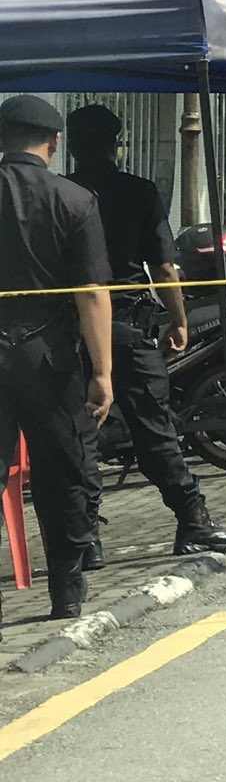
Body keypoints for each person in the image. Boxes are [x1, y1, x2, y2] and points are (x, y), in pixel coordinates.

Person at [64, 106, 226, 562]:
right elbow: (162, 266)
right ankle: (193, 521)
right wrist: (178, 317)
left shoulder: (61, 193)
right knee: (155, 430)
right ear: (116, 145)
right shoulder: (138, 192)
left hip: (70, 329)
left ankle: (86, 541)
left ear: (71, 146)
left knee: (81, 435)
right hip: (125, 326)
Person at [0, 95, 114, 623]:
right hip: (48, 356)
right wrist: (102, 372)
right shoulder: (74, 199)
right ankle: (66, 593)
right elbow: (92, 293)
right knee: (60, 471)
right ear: (54, 142)